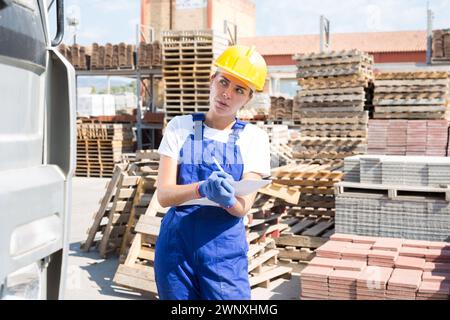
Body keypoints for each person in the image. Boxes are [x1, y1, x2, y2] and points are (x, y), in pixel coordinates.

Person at [154, 45, 271, 300]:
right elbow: (163, 195)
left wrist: (228, 198)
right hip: (176, 251)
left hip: (224, 253)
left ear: (248, 98)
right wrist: (201, 188)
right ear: (212, 80)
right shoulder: (180, 127)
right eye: (223, 82)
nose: (226, 94)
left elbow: (242, 207)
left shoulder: (254, 139)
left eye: (239, 90)